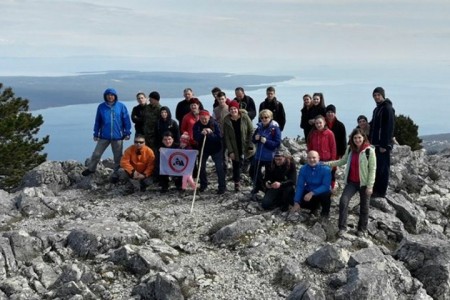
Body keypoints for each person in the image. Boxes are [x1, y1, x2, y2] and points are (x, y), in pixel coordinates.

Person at [326, 128, 376, 237]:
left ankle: (362, 229)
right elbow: (342, 161)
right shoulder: (350, 149)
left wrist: (370, 186)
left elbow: (373, 169)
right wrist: (328, 164)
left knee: (364, 206)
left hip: (364, 183)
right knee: (343, 201)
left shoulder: (369, 151)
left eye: (359, 137)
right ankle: (342, 228)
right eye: (355, 138)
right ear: (352, 139)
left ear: (363, 138)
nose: (357, 140)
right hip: (352, 183)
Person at [82, 88, 131, 177]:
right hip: (104, 135)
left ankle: (116, 173)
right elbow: (98, 121)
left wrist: (127, 132)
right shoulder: (101, 107)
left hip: (117, 136)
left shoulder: (121, 106)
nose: (110, 96)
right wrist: (96, 133)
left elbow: (126, 120)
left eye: (112, 95)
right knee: (96, 154)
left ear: (115, 96)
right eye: (108, 95)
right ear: (105, 96)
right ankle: (91, 169)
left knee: (118, 157)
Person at [223, 101, 255, 191]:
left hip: (246, 145)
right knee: (236, 165)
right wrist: (230, 151)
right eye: (231, 109)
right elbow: (227, 138)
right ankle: (237, 184)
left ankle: (256, 183)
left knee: (253, 164)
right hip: (234, 146)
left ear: (238, 109)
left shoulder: (245, 117)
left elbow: (251, 131)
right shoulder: (226, 120)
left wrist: (250, 145)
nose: (233, 110)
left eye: (235, 109)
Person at [369, 87, 395, 198]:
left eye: (378, 95)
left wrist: (385, 145)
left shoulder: (387, 108)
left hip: (382, 145)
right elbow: (373, 123)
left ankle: (381, 192)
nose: (376, 97)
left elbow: (388, 127)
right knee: (376, 167)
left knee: (383, 169)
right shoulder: (377, 109)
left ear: (383, 95)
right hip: (375, 144)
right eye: (374, 95)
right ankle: (375, 189)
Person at [193, 110, 226, 194]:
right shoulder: (196, 125)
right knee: (201, 167)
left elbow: (219, 137)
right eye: (202, 119)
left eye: (206, 118)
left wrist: (210, 134)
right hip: (204, 149)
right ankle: (203, 184)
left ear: (209, 117)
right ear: (199, 118)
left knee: (219, 168)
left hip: (216, 149)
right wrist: (201, 134)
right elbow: (195, 138)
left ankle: (222, 186)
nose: (204, 120)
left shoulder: (214, 124)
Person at [250, 109, 282, 199]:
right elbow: (253, 139)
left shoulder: (275, 129)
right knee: (253, 171)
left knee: (269, 175)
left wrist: (266, 141)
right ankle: (259, 186)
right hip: (259, 155)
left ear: (270, 118)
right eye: (262, 117)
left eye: (266, 117)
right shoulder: (259, 127)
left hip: (269, 156)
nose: (264, 119)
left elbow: (277, 143)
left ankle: (267, 190)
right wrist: (255, 138)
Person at [291, 150, 332, 218]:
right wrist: (296, 202)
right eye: (309, 158)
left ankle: (325, 213)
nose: (311, 160)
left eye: (314, 157)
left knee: (326, 194)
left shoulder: (326, 169)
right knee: (295, 199)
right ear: (307, 159)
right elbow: (300, 185)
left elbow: (326, 186)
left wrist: (312, 193)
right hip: (309, 190)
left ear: (318, 158)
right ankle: (314, 208)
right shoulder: (303, 169)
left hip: (321, 191)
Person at [307, 115, 337, 188]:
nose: (318, 125)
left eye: (320, 123)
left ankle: (330, 192)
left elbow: (333, 148)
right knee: (317, 179)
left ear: (324, 123)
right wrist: (309, 159)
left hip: (327, 160)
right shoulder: (312, 134)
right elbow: (310, 147)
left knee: (328, 179)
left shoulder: (329, 133)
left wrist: (332, 162)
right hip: (315, 160)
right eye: (317, 123)